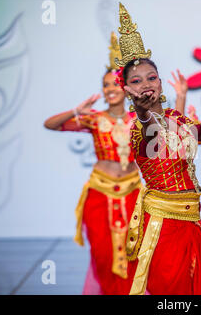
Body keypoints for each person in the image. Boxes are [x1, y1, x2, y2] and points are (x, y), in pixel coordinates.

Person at [114, 3, 201, 295]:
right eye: (136, 81)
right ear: (128, 89)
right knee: (169, 290)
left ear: (160, 81)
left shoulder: (179, 119)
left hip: (192, 221)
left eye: (151, 78)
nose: (146, 85)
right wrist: (142, 112)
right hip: (162, 224)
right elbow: (151, 130)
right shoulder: (137, 126)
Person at [44, 32, 142, 295]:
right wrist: (76, 110)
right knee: (103, 254)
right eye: (106, 85)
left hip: (133, 194)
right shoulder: (93, 118)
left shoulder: (139, 120)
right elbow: (50, 124)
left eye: (115, 84)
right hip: (100, 194)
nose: (110, 90)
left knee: (135, 253)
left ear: (127, 88)